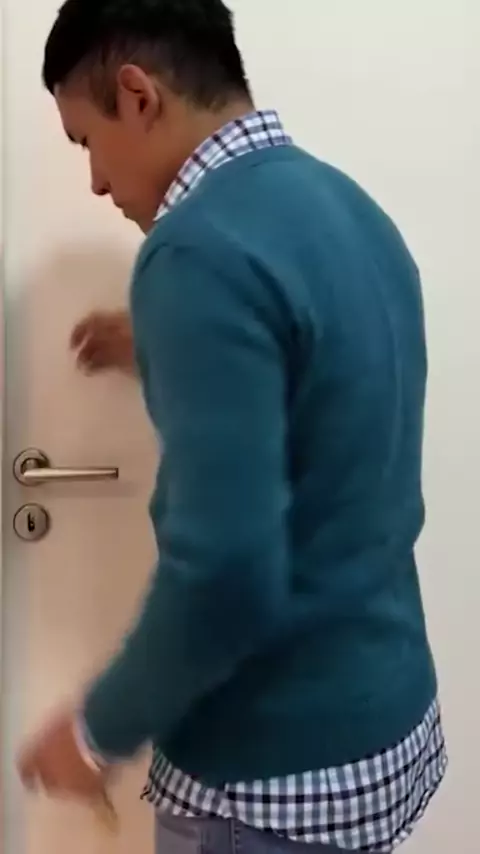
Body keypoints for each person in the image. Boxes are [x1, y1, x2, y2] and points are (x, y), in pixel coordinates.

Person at [18, 2, 447, 852]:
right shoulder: (344, 203)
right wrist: (168, 343)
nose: (96, 181)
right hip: (387, 725)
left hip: (270, 776)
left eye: (87, 141)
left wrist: (94, 733)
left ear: (138, 95)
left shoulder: (197, 252)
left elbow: (226, 572)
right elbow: (325, 384)